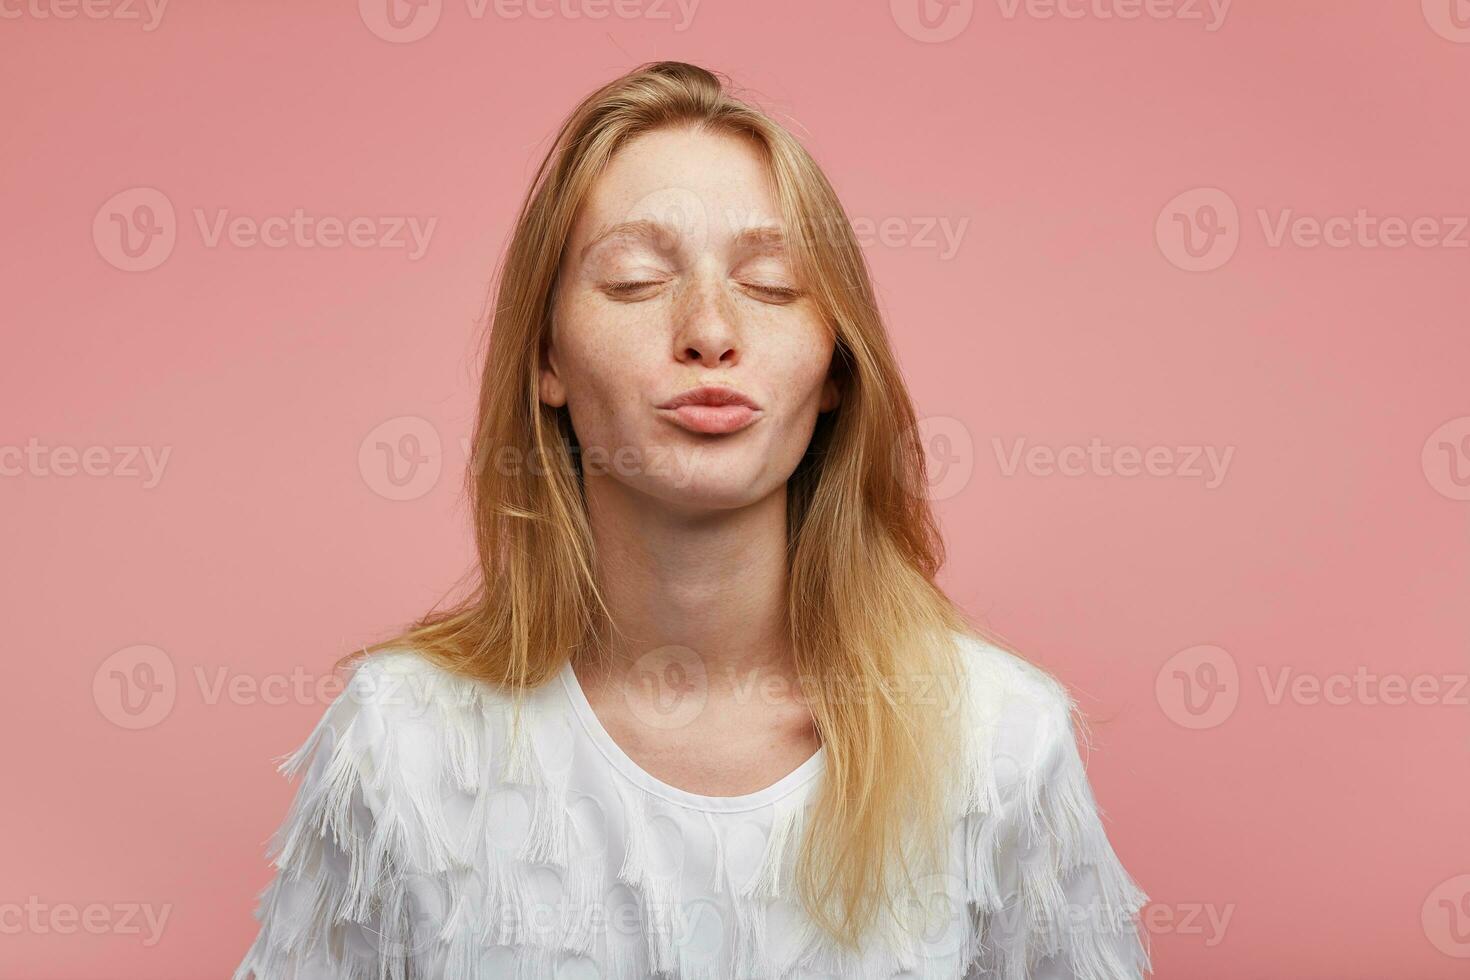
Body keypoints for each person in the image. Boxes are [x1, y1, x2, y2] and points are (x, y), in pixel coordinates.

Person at [232, 60, 1152, 980]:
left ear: (836, 368)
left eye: (772, 284)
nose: (709, 330)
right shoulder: (404, 744)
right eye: (634, 280)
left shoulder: (998, 743)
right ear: (546, 357)